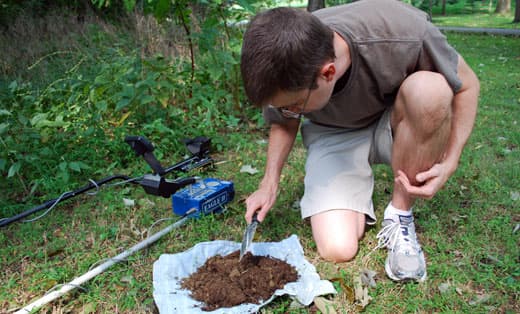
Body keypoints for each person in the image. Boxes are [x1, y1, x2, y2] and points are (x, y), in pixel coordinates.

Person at [241, 0, 479, 282]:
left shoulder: (402, 32)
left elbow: (467, 84)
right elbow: (284, 121)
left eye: (294, 105)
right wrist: (269, 183)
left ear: (328, 72)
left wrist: (450, 160)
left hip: (396, 122)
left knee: (431, 89)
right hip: (334, 132)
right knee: (337, 247)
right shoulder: (285, 60)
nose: (290, 112)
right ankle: (353, 193)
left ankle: (400, 215)